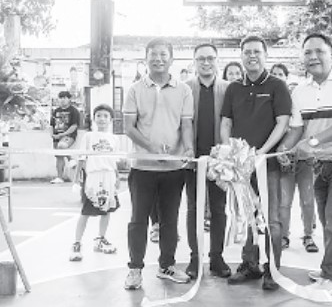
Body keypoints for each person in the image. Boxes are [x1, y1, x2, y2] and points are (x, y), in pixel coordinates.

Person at [278, 33, 332, 295]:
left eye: (319, 51)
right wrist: (286, 148)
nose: (313, 57)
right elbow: (296, 128)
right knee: (330, 221)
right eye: (308, 53)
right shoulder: (300, 91)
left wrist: (312, 143)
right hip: (320, 166)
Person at [123, 37, 194, 290]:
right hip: (142, 168)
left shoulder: (184, 90)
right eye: (153, 54)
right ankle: (135, 269)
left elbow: (186, 125)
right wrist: (152, 149)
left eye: (164, 54)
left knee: (170, 220)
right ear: (146, 58)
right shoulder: (135, 89)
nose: (158, 59)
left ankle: (166, 266)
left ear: (171, 59)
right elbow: (128, 127)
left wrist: (188, 149)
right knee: (138, 220)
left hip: (173, 170)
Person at [222, 35, 291, 291]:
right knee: (246, 217)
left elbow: (282, 122)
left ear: (265, 55)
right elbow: (226, 123)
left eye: (257, 52)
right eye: (247, 52)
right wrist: (230, 153)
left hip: (267, 165)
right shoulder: (233, 88)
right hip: (241, 167)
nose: (252, 56)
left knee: (271, 219)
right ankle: (249, 265)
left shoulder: (277, 86)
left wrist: (262, 152)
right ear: (241, 56)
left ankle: (272, 270)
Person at [184, 43, 231, 279]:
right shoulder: (184, 89)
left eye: (210, 58)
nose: (206, 62)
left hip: (219, 162)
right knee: (194, 209)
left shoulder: (228, 89)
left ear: (217, 60)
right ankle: (195, 258)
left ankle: (217, 257)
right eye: (201, 58)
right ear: (194, 61)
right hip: (192, 161)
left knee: (219, 210)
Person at [272, 63, 318, 253]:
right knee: (284, 201)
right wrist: (281, 152)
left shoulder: (300, 96)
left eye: (281, 74)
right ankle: (283, 236)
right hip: (284, 161)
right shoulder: (272, 103)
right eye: (274, 74)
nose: (278, 77)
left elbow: (307, 129)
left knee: (308, 200)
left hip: (306, 158)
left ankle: (308, 235)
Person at [69, 104, 120, 261]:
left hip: (109, 177)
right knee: (85, 212)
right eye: (99, 115)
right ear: (94, 118)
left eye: (105, 116)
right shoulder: (89, 136)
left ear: (111, 119)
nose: (102, 118)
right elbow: (82, 158)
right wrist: (76, 178)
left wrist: (117, 178)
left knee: (107, 210)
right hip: (93, 178)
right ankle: (76, 244)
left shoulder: (115, 139)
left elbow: (114, 161)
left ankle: (100, 239)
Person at [50, 90, 80, 184]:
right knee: (59, 156)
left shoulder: (74, 111)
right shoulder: (56, 111)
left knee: (62, 146)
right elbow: (51, 124)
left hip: (68, 135)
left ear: (69, 99)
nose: (62, 100)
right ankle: (59, 177)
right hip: (56, 136)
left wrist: (63, 134)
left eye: (64, 98)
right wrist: (52, 134)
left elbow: (74, 126)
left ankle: (71, 159)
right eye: (60, 98)